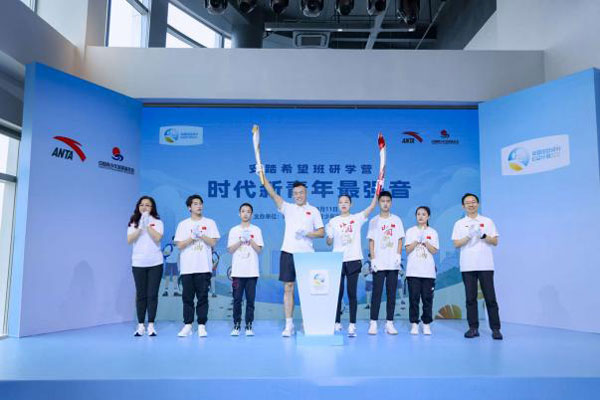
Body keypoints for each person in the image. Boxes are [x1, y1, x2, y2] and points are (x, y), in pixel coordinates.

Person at [259, 166, 325, 337]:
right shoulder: (287, 208)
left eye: (301, 192)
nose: (298, 195)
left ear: (306, 193)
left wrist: (307, 233)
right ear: (293, 195)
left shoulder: (314, 211)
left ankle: (306, 322)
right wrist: (262, 175)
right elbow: (272, 193)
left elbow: (321, 232)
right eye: (295, 193)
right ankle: (289, 325)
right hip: (288, 252)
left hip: (307, 256)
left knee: (307, 290)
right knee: (288, 288)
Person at [452, 193, 503, 340]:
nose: (471, 204)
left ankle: (496, 329)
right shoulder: (459, 223)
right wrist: (468, 236)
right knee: (470, 298)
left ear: (478, 204)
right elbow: (456, 244)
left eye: (473, 202)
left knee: (490, 298)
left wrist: (483, 235)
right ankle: (473, 328)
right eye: (468, 203)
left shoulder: (487, 221)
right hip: (468, 265)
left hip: (485, 265)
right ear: (463, 206)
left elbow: (495, 242)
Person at [325, 193, 377, 337]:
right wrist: (329, 236)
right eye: (341, 202)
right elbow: (329, 243)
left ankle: (352, 324)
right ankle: (337, 322)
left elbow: (371, 207)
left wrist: (376, 194)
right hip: (338, 260)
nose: (343, 204)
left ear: (351, 204)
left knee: (351, 293)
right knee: (338, 293)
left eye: (346, 202)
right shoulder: (333, 221)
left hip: (353, 260)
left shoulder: (356, 218)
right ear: (338, 205)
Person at [174, 195, 220, 338]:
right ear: (189, 207)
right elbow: (179, 245)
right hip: (187, 267)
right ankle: (187, 325)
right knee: (187, 298)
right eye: (195, 204)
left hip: (203, 267)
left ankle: (201, 325)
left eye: (200, 203)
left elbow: (213, 243)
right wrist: (192, 237)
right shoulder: (183, 224)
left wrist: (201, 235)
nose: (199, 206)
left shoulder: (210, 223)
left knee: (202, 297)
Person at [366, 190, 405, 335]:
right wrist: (373, 259)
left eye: (388, 201)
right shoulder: (374, 221)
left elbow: (400, 239)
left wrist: (398, 255)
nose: (385, 204)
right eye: (382, 201)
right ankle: (373, 323)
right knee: (376, 293)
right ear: (379, 203)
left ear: (391, 203)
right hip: (379, 263)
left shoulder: (397, 220)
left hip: (393, 263)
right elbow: (371, 241)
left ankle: (389, 323)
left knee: (391, 294)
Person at [127, 196, 164, 337]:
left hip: (155, 263)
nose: (144, 207)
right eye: (142, 205)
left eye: (147, 205)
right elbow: (129, 240)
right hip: (138, 263)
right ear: (138, 207)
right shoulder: (133, 222)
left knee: (152, 295)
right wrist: (140, 227)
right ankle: (141, 325)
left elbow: (158, 238)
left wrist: (147, 225)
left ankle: (151, 325)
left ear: (152, 208)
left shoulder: (158, 222)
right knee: (141, 294)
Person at [227, 203, 264, 336]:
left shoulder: (256, 230)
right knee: (237, 299)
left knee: (250, 300)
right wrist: (240, 240)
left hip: (252, 271)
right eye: (243, 211)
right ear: (239, 214)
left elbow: (259, 250)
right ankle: (236, 325)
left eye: (248, 211)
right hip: (237, 272)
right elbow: (230, 250)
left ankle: (249, 325)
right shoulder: (234, 230)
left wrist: (251, 240)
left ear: (251, 214)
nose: (245, 214)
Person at [405, 206, 439, 335]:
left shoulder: (433, 232)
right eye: (418, 214)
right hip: (413, 271)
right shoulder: (410, 231)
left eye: (424, 214)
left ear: (428, 216)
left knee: (427, 299)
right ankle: (414, 324)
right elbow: (407, 250)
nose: (421, 216)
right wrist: (416, 241)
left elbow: (434, 251)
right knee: (414, 299)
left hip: (428, 272)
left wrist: (426, 242)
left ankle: (426, 324)